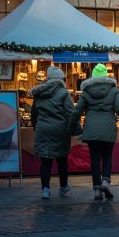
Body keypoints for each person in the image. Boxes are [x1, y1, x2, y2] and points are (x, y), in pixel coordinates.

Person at [71, 63, 119, 201]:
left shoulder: (87, 91)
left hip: (91, 129)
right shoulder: (113, 90)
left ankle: (96, 190)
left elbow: (77, 111)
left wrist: (73, 125)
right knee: (107, 156)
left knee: (95, 159)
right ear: (106, 75)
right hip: (108, 128)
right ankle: (106, 181)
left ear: (93, 76)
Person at [29, 66, 73, 199]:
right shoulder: (64, 93)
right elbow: (69, 112)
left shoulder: (39, 92)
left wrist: (37, 126)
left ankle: (45, 189)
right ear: (60, 78)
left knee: (45, 161)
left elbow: (34, 112)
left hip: (43, 128)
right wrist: (74, 129)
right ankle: (63, 187)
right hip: (60, 129)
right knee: (62, 159)